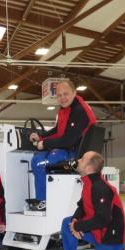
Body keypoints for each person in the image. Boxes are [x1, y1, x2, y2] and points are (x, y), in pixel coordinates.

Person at [28, 79, 97, 211]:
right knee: (37, 158)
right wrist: (41, 137)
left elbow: (67, 141)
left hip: (76, 157)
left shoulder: (79, 111)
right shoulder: (67, 109)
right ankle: (44, 199)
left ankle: (44, 201)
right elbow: (58, 130)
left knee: (40, 163)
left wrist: (45, 143)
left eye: (66, 94)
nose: (62, 98)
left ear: (74, 93)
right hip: (69, 151)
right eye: (59, 95)